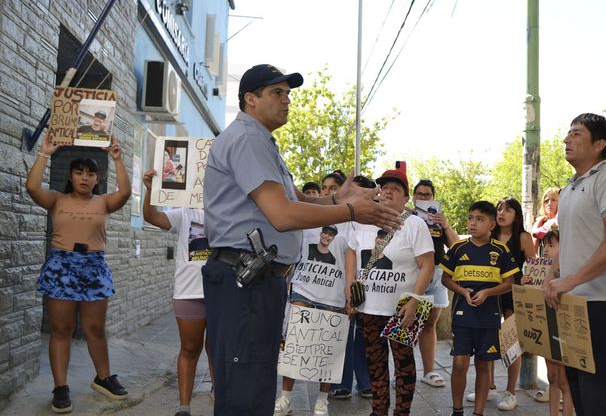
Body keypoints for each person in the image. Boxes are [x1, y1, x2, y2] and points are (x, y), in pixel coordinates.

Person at [202, 64, 401, 415]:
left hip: (257, 281)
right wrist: (351, 212)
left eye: (288, 94)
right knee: (244, 391)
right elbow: (282, 214)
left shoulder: (262, 142)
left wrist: (339, 199)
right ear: (250, 99)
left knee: (254, 386)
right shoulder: (248, 139)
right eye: (276, 93)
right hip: (245, 281)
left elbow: (300, 202)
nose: (287, 101)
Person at [26, 134, 131, 413]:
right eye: (79, 172)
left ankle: (104, 377)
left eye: (90, 173)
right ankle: (60, 388)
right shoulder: (56, 199)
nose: (84, 177)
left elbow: (125, 193)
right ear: (71, 176)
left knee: (95, 329)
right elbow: (32, 187)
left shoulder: (104, 202)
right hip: (62, 266)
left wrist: (118, 160)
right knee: (62, 330)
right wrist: (45, 153)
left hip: (94, 266)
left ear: (97, 179)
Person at [543, 113, 606, 416]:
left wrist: (570, 281)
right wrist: (550, 276)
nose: (567, 139)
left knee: (601, 395)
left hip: (603, 303)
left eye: (577, 134)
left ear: (599, 145)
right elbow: (567, 242)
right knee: (577, 389)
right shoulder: (568, 189)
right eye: (568, 133)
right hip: (570, 304)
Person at [347, 165, 434, 416]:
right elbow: (351, 250)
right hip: (369, 307)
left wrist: (415, 301)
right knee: (375, 364)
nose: (388, 192)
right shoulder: (364, 221)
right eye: (384, 187)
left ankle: (402, 412)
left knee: (404, 365)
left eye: (395, 189)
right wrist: (349, 283)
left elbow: (427, 265)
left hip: (402, 309)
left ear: (406, 198)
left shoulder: (415, 224)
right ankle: (379, 410)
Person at [142, 169, 214, 416]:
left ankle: (219, 400)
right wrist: (150, 190)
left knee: (217, 349)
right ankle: (184, 407)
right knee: (189, 348)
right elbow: (151, 217)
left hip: (221, 293)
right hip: (188, 292)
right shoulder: (185, 214)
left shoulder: (228, 213)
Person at [440, 201, 519, 416]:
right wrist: (463, 291)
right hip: (462, 316)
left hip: (489, 317)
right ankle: (457, 410)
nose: (473, 223)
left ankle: (478, 412)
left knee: (484, 366)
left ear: (492, 224)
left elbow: (510, 283)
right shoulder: (458, 248)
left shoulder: (500, 251)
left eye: (479, 219)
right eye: (470, 218)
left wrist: (487, 293)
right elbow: (445, 279)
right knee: (459, 363)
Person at [274, 223, 349, 416]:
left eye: (330, 234)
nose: (326, 237)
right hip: (302, 292)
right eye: (325, 233)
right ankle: (285, 398)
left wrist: (349, 291)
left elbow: (352, 258)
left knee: (327, 351)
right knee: (294, 346)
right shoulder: (307, 223)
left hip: (333, 297)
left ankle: (322, 401)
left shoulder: (351, 224)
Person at [466, 197, 534, 410]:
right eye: (499, 209)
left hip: (513, 294)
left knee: (512, 343)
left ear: (517, 214)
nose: (502, 212)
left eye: (508, 209)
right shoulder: (490, 236)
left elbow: (533, 268)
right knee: (490, 340)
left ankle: (511, 393)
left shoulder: (523, 237)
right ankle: (490, 387)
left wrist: (524, 277)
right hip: (490, 294)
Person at [331, 175, 375, 401]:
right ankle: (340, 383)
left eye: (358, 193)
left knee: (365, 335)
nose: (353, 198)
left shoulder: (372, 219)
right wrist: (347, 286)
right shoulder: (334, 216)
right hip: (338, 285)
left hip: (370, 289)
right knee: (343, 334)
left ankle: (366, 381)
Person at [412, 179, 460, 389]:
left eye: (427, 195)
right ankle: (403, 372)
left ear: (433, 197)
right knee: (406, 323)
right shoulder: (406, 217)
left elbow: (458, 247)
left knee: (429, 324)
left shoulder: (439, 220)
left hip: (437, 273)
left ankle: (429, 371)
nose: (423, 198)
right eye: (419, 194)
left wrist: (446, 224)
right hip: (412, 274)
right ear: (413, 197)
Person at [540, 230, 575, 416]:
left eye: (551, 245)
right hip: (547, 327)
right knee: (552, 377)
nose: (546, 249)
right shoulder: (539, 269)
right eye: (544, 245)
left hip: (564, 329)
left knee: (565, 381)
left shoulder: (570, 271)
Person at [531, 188, 559, 253]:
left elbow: (536, 233)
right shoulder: (542, 221)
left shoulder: (560, 219)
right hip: (543, 260)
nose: (549, 204)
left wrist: (537, 224)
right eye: (546, 201)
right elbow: (533, 249)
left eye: (553, 200)